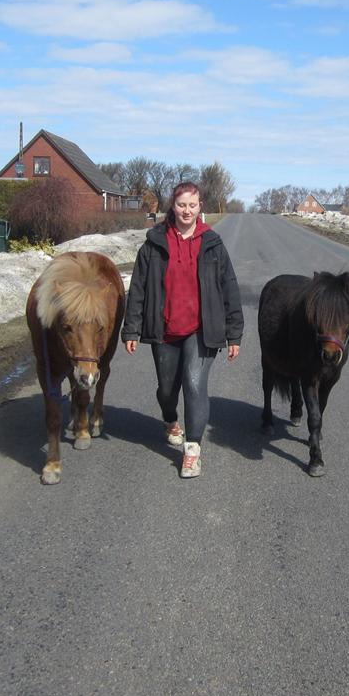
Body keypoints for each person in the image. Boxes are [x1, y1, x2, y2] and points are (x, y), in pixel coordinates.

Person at [122, 182, 243, 478]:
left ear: (200, 206)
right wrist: (131, 329)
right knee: (167, 390)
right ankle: (170, 419)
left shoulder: (212, 243)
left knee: (193, 384)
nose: (187, 211)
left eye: (192, 205)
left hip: (201, 331)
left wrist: (233, 334)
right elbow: (137, 288)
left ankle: (192, 450)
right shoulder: (153, 244)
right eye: (181, 205)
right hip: (164, 330)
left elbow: (230, 289)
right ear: (172, 207)